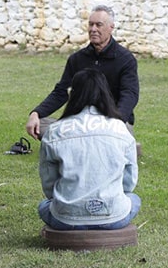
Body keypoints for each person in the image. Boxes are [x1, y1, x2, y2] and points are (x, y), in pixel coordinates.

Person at [37, 68, 141, 230]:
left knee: (44, 205)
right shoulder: (120, 128)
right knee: (134, 198)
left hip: (66, 219)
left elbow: (49, 183)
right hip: (113, 216)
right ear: (106, 94)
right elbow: (129, 183)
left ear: (73, 94)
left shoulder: (55, 130)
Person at [26, 4, 139, 140]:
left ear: (111, 27)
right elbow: (61, 92)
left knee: (119, 133)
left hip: (112, 119)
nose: (93, 29)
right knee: (40, 123)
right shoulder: (77, 59)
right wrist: (36, 113)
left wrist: (117, 122)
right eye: (90, 25)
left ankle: (83, 140)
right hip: (80, 120)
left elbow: (129, 94)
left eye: (98, 25)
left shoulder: (125, 59)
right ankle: (95, 142)